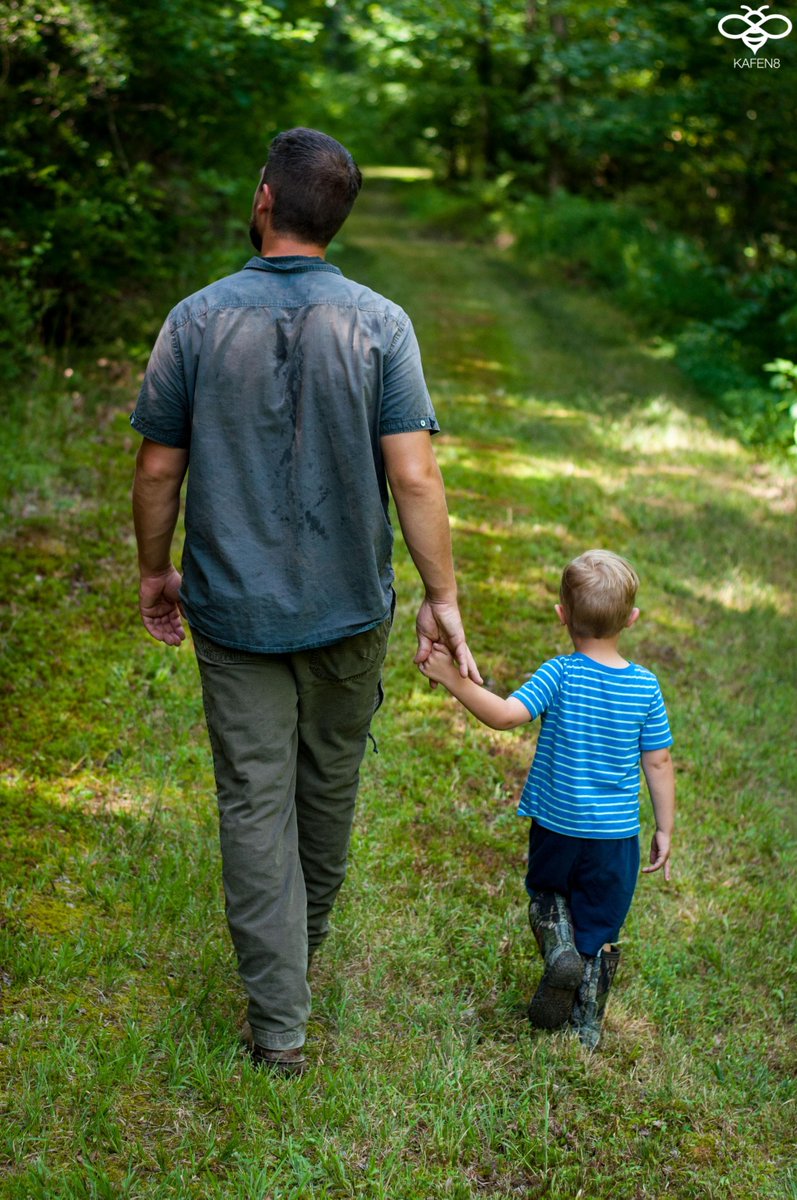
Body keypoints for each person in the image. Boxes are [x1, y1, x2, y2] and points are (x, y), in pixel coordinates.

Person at [131, 127, 480, 1075]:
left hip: (234, 612)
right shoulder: (380, 323)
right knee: (328, 785)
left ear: (262, 200)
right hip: (347, 610)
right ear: (337, 218)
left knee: (253, 802)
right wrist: (441, 596)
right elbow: (414, 478)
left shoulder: (195, 319)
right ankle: (296, 957)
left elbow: (160, 467)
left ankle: (278, 1022)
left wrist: (154, 569)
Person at [419, 549, 675, 1050]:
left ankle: (557, 943)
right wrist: (664, 827)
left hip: (558, 826)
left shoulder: (559, 674)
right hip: (614, 838)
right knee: (599, 929)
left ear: (562, 616)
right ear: (632, 620)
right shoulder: (645, 687)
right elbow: (659, 763)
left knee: (547, 899)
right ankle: (586, 1024)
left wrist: (453, 678)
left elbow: (505, 716)